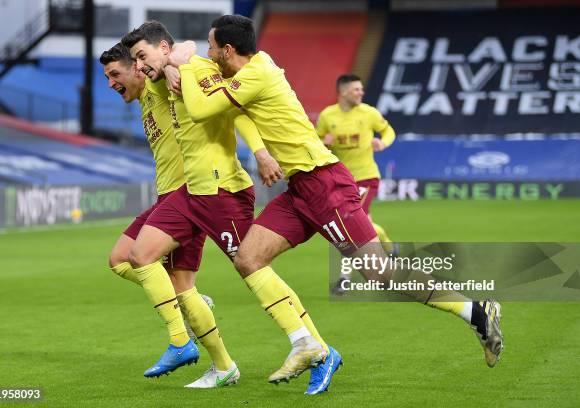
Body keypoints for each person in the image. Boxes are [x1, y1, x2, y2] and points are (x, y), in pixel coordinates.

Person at [168, 14, 504, 386]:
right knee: (248, 258)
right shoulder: (249, 72)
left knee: (378, 272)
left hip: (324, 185)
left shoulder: (257, 74)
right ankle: (306, 343)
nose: (209, 53)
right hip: (300, 190)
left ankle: (475, 310)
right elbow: (226, 106)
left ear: (228, 50)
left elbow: (199, 109)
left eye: (212, 47)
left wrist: (183, 66)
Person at [120, 21, 313, 388]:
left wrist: (260, 152)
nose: (138, 67)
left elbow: (235, 108)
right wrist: (172, 64)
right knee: (138, 256)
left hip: (222, 188)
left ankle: (311, 342)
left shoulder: (201, 68)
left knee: (252, 265)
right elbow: (177, 58)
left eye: (141, 57)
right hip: (190, 192)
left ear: (164, 47)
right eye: (133, 60)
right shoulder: (162, 80)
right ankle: (202, 351)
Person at [100, 43, 238, 387]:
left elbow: (184, 47)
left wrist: (174, 66)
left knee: (143, 261)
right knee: (120, 259)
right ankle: (219, 361)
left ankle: (181, 339)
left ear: (137, 67)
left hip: (187, 194)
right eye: (106, 77)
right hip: (168, 196)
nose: (111, 84)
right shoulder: (144, 97)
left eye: (115, 74)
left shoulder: (159, 84)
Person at [316, 73, 396, 294]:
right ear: (342, 92)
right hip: (342, 179)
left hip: (366, 177)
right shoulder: (327, 115)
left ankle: (344, 278)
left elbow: (388, 130)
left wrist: (383, 142)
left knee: (347, 222)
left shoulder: (369, 113)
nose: (361, 92)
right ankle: (389, 245)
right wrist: (324, 142)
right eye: (356, 89)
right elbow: (316, 139)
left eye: (361, 89)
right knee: (363, 223)